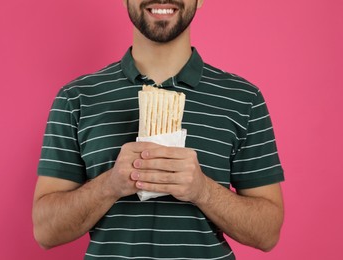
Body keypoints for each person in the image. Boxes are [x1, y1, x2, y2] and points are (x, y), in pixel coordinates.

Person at [32, 0, 285, 259]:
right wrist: (110, 184)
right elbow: (45, 231)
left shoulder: (243, 99)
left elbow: (267, 234)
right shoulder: (77, 98)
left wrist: (202, 191)